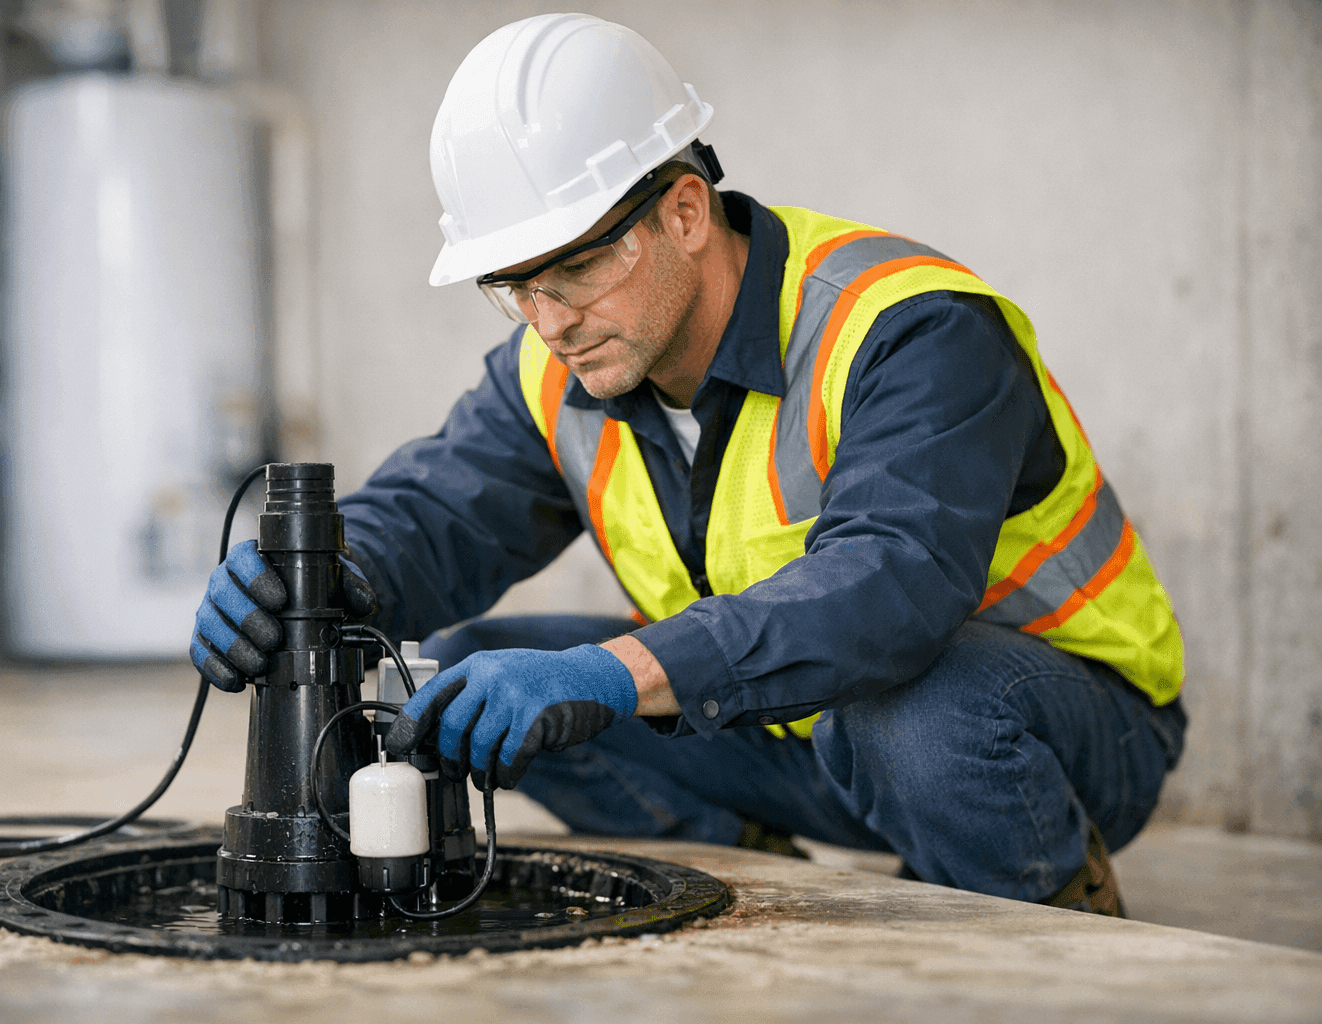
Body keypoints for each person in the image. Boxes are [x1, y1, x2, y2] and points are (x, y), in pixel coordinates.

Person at [191, 13, 1185, 915]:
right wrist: (322, 580)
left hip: (1041, 725)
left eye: (577, 268)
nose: (550, 320)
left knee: (909, 713)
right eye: (515, 286)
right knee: (475, 668)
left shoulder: (906, 328)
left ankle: (1056, 917)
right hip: (800, 733)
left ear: (685, 211)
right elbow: (442, 512)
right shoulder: (555, 363)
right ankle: (745, 889)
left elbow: (887, 592)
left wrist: (616, 673)